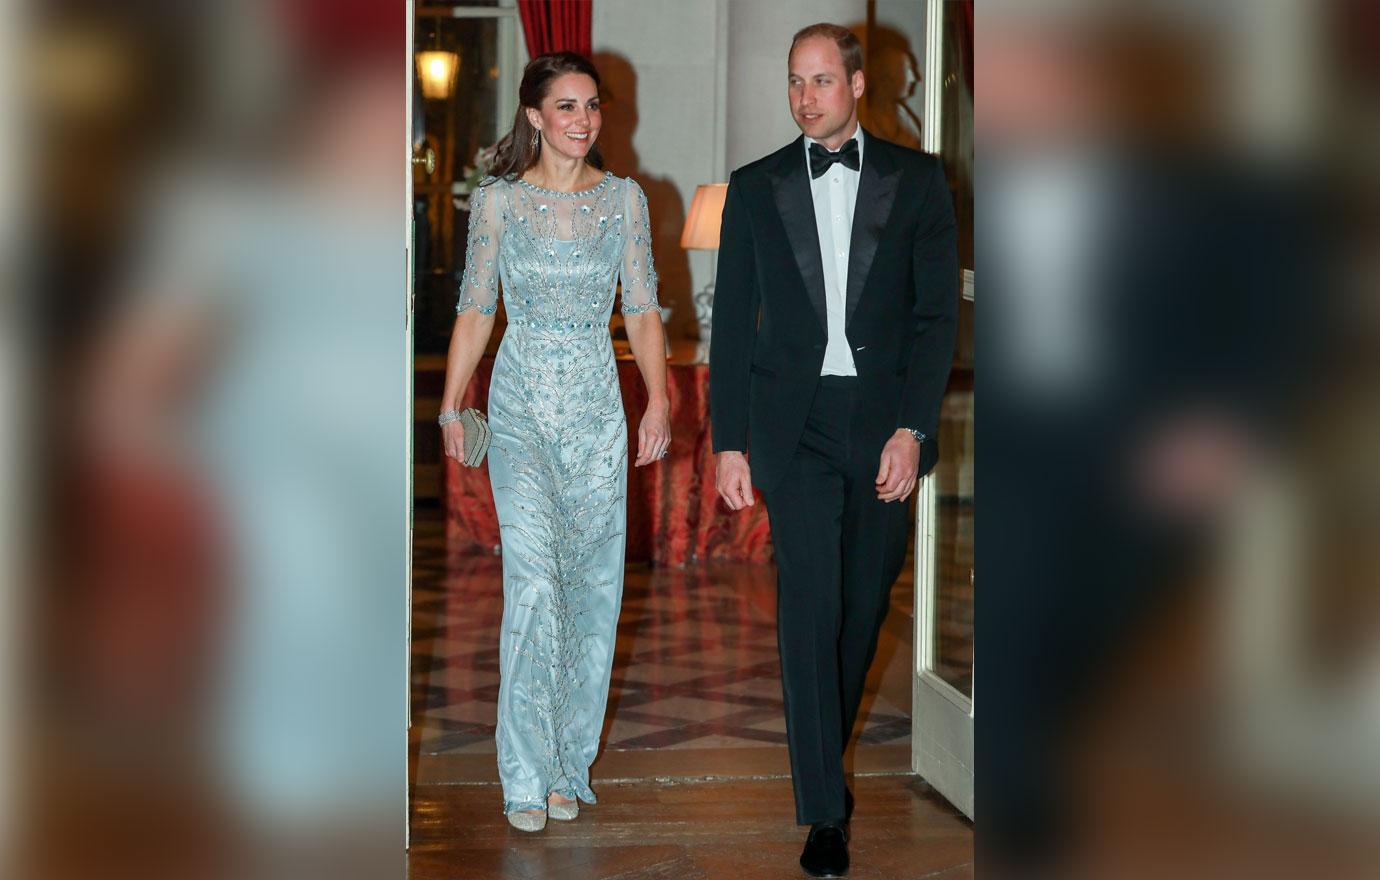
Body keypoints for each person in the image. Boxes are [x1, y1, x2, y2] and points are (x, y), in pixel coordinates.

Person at [709, 23, 958, 878]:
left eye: (820, 81)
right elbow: (732, 324)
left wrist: (913, 428)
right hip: (793, 428)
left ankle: (825, 757)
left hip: (885, 421)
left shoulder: (921, 182)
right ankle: (822, 810)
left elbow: (936, 320)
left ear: (857, 84)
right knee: (809, 609)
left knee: (859, 611)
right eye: (794, 82)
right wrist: (728, 444)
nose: (804, 97)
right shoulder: (754, 187)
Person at [438, 51, 670, 832]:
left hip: (599, 410)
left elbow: (640, 309)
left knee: (593, 589)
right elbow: (476, 309)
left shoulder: (626, 201)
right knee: (534, 583)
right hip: (521, 406)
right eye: (566, 107)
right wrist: (449, 404)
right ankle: (524, 773)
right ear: (534, 117)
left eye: (592, 106)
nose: (583, 120)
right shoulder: (499, 202)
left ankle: (571, 763)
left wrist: (659, 402)